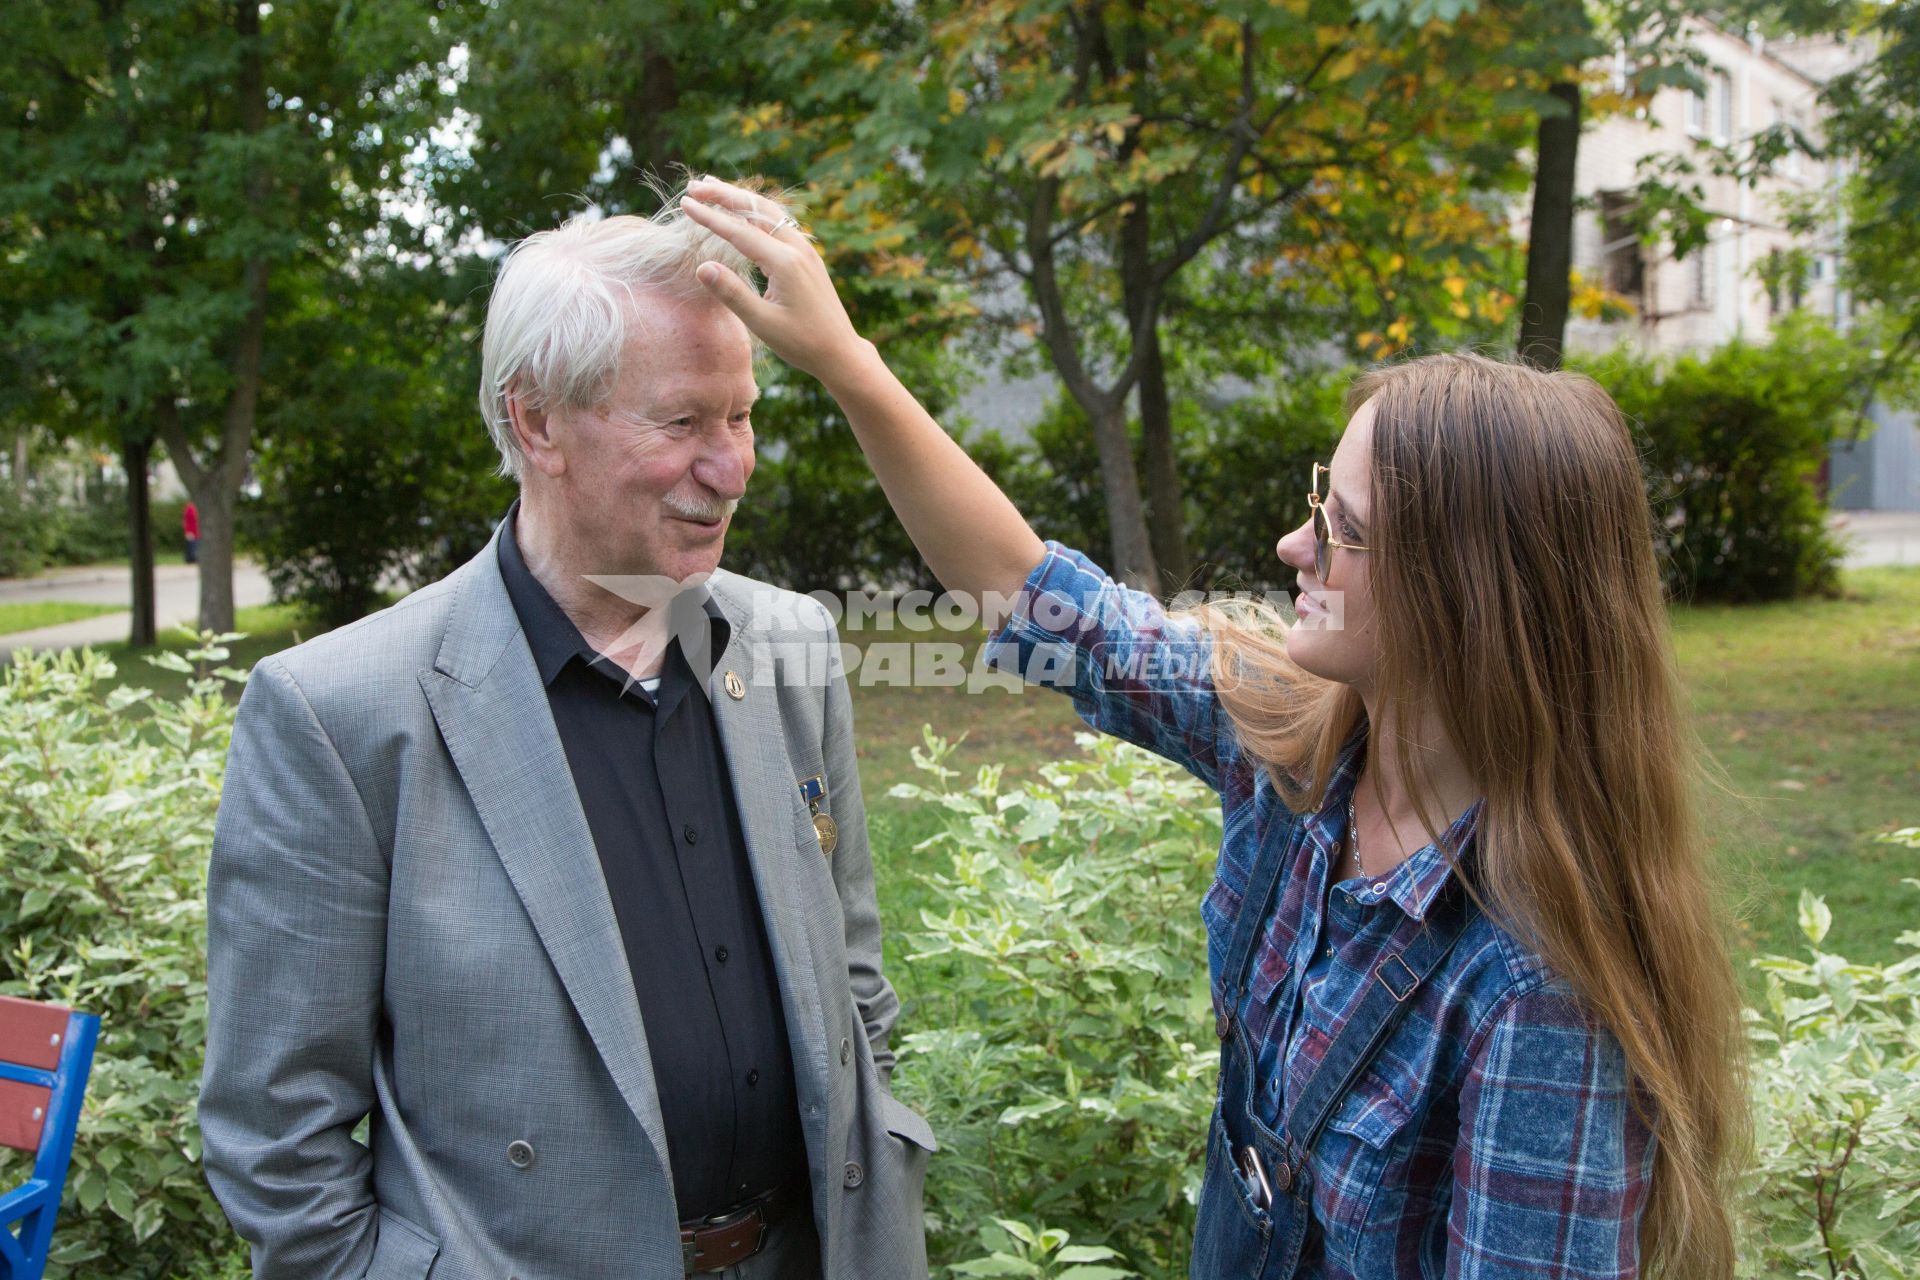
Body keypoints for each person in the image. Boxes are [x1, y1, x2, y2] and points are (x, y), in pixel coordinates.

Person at [678, 176, 1749, 1279]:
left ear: (1466, 595)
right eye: (1319, 497)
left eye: (1343, 526)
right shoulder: (1295, 746)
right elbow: (1030, 594)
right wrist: (847, 363)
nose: (1295, 544)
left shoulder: (1538, 995)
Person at [199, 193, 935, 1280]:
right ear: (537, 421)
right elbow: (275, 1133)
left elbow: (852, 974)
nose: (731, 466)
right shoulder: (342, 714)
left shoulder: (792, 643)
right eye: (682, 422)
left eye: (741, 416)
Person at [182, 499, 199, 564]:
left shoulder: (190, 508)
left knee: (192, 545)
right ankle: (191, 559)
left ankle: (190, 559)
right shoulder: (190, 508)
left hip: (193, 530)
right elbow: (192, 519)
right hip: (191, 530)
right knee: (192, 545)